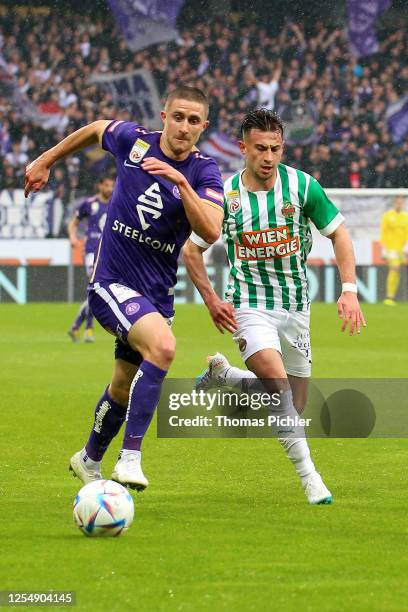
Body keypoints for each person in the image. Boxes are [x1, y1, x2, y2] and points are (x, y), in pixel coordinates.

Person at [25, 85, 224, 490]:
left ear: (204, 126)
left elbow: (210, 230)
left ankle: (89, 458)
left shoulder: (205, 172)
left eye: (193, 121)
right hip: (111, 283)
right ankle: (130, 457)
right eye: (178, 117)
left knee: (121, 385)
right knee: (164, 348)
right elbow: (95, 128)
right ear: (164, 115)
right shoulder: (134, 141)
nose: (184, 127)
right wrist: (45, 160)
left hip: (156, 294)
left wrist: (181, 186)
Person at [183, 109, 366, 505]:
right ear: (243, 147)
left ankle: (225, 375)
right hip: (249, 304)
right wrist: (213, 300)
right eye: (261, 148)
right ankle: (311, 479)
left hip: (296, 307)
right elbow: (192, 250)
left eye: (276, 149)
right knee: (278, 387)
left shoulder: (302, 187)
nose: (268, 157)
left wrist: (348, 289)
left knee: (291, 406)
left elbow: (339, 234)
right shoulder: (226, 196)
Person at [67, 177, 114, 343]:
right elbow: (73, 223)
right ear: (100, 185)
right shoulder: (89, 203)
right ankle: (88, 329)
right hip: (91, 252)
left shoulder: (116, 203)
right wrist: (73, 237)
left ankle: (76, 327)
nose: (109, 188)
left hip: (108, 253)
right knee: (96, 289)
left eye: (112, 186)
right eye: (107, 185)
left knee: (96, 291)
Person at [380, 195, 408, 306]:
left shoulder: (405, 216)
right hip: (390, 248)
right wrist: (383, 248)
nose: (399, 204)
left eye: (401, 202)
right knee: (394, 268)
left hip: (401, 249)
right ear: (394, 202)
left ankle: (392, 296)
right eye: (398, 202)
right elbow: (383, 232)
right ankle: (389, 296)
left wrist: (406, 246)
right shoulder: (387, 216)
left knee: (397, 271)